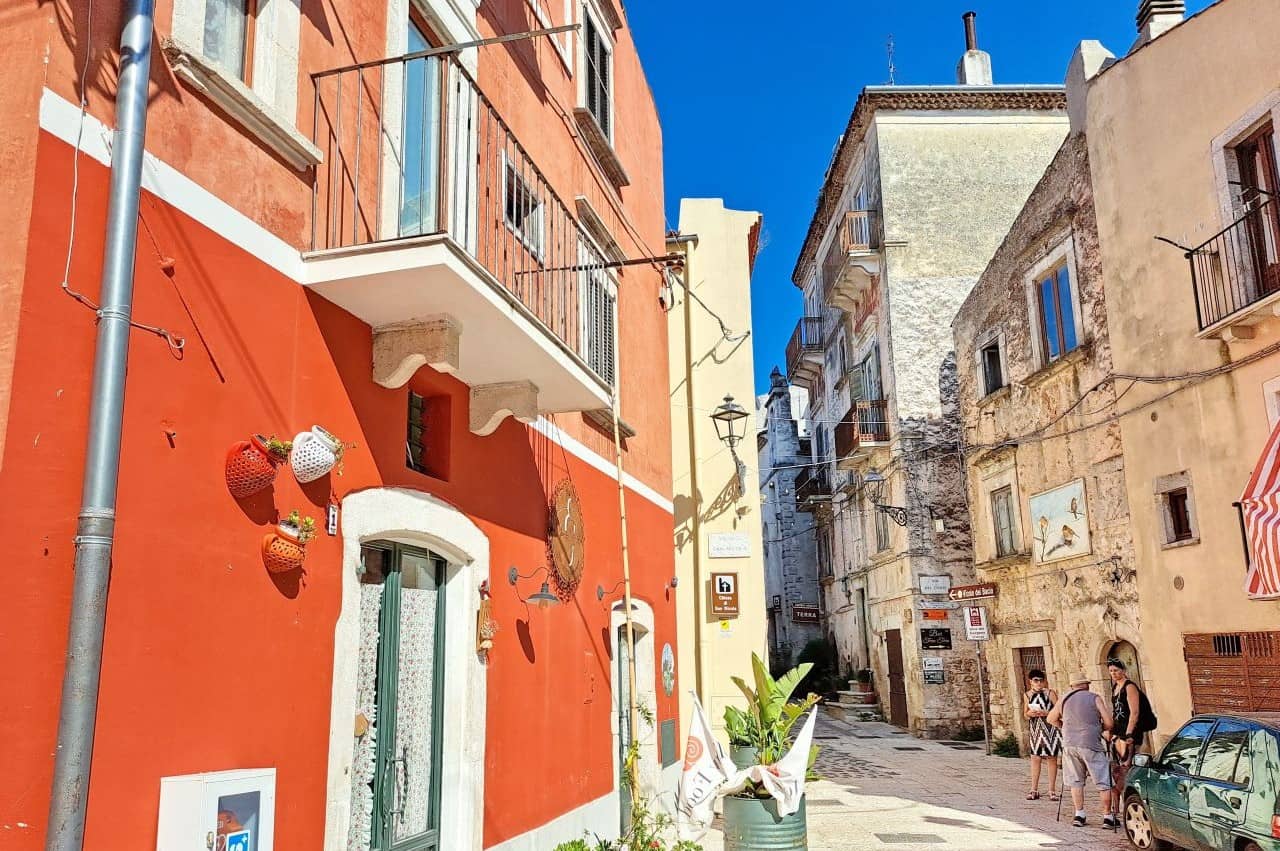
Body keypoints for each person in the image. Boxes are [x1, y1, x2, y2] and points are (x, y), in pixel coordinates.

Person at [1046, 671, 1115, 828]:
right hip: (1091, 743)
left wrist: (1064, 727)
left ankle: (1079, 814)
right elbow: (1109, 722)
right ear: (1086, 685)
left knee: (1075, 781)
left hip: (1070, 743)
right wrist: (1099, 729)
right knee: (1103, 780)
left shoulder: (1064, 698)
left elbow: (1050, 718)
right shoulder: (1094, 698)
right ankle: (1108, 817)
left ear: (1072, 685)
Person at [1023, 669, 1061, 801]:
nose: (1038, 683)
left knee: (1051, 758)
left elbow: (1059, 710)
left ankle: (1052, 790)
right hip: (1036, 729)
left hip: (1050, 729)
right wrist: (1030, 714)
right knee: (1035, 758)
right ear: (1030, 682)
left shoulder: (1050, 693)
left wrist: (1047, 713)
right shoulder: (1027, 695)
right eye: (1035, 680)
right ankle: (1034, 789)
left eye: (1040, 680)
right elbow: (1025, 713)